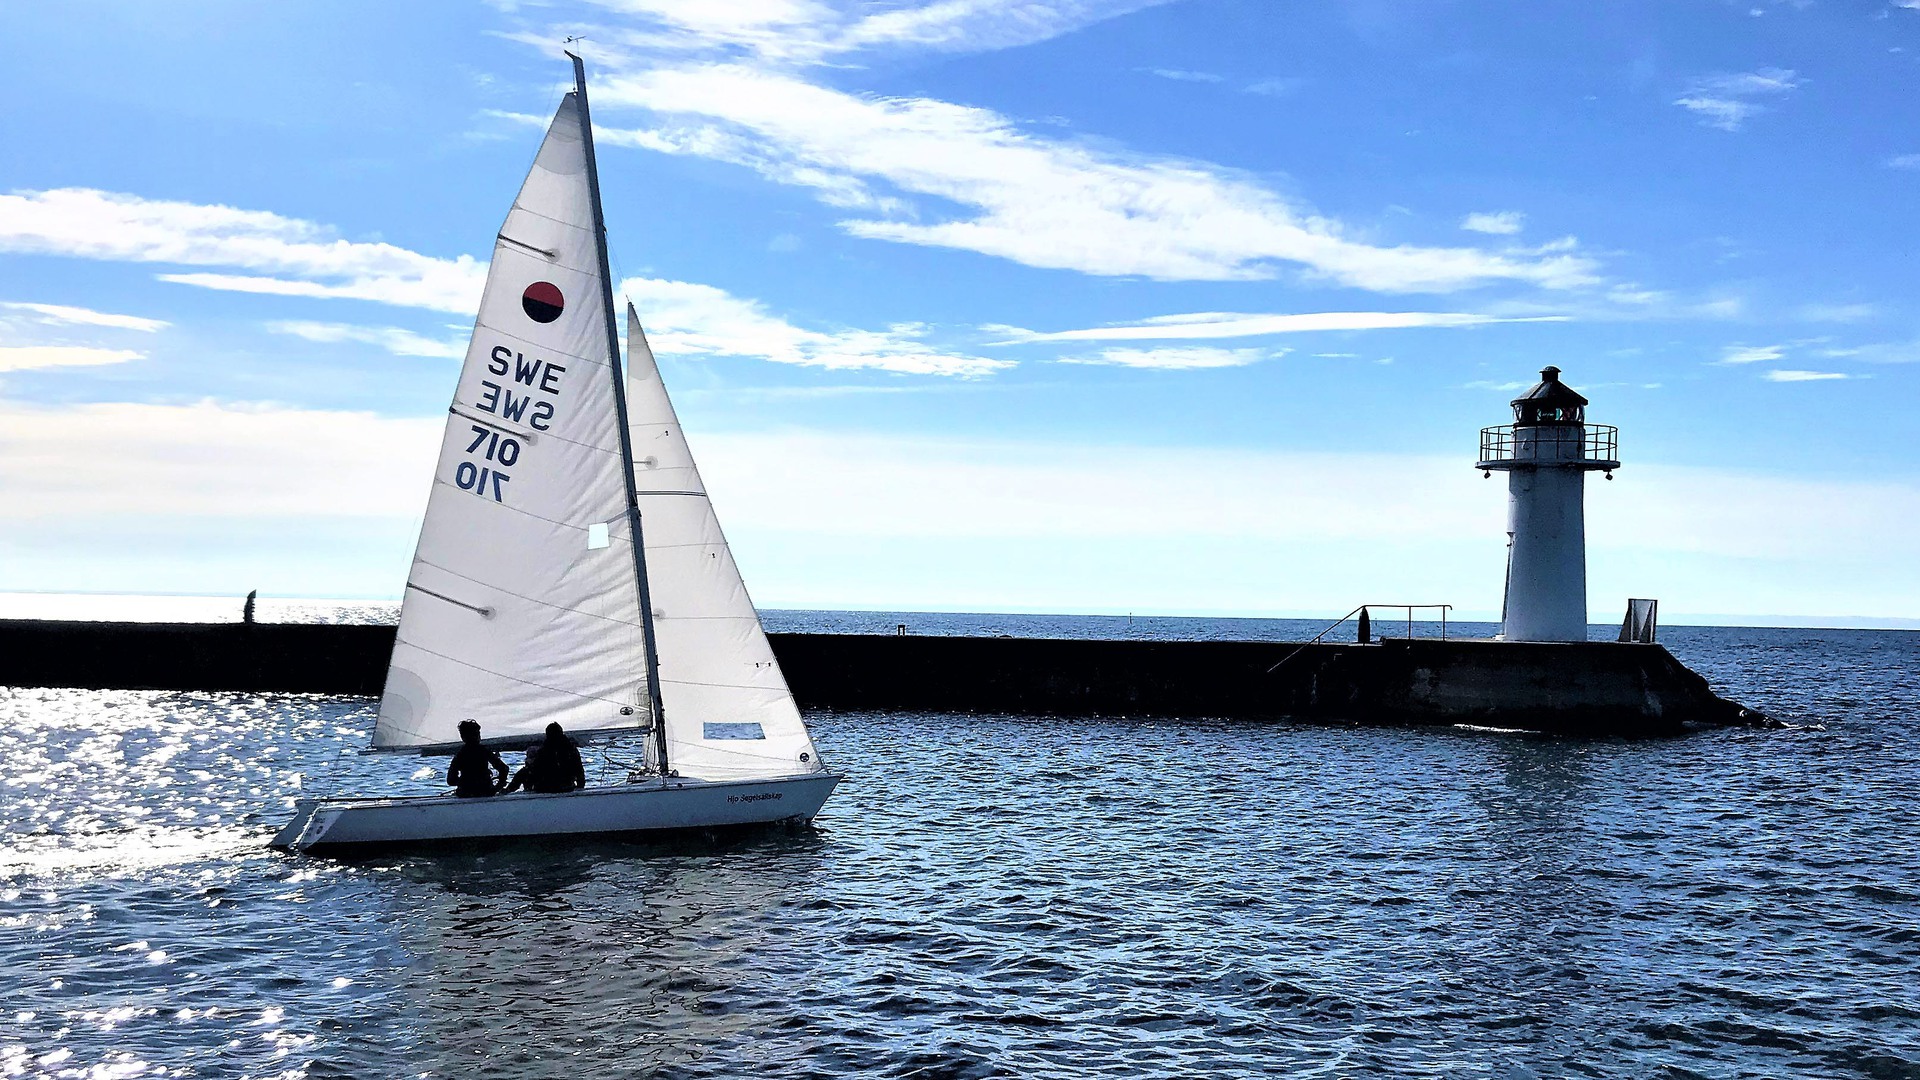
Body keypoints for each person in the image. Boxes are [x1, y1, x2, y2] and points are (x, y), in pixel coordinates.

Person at [446, 719, 507, 798]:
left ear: (462, 737)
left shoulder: (460, 755)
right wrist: (498, 786)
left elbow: (451, 780)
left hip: (466, 793)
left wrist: (465, 782)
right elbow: (504, 768)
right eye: (477, 734)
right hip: (486, 792)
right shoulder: (484, 751)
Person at [528, 721, 586, 794]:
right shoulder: (570, 749)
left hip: (546, 788)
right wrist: (580, 788)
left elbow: (535, 771)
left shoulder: (543, 751)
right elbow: (579, 770)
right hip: (565, 787)